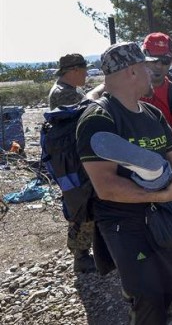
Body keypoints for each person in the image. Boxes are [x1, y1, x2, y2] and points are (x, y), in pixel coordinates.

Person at [76, 42, 172, 324]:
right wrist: (165, 196)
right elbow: (106, 187)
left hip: (163, 218)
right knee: (147, 296)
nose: (155, 73)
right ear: (133, 72)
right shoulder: (98, 118)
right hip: (123, 222)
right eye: (148, 68)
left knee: (167, 288)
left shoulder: (153, 114)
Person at [48, 53, 95, 272]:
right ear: (74, 70)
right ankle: (81, 255)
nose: (86, 73)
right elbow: (87, 111)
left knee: (82, 202)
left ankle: (84, 251)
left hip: (73, 158)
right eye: (84, 70)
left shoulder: (70, 91)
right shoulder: (63, 95)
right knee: (82, 204)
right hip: (72, 160)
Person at [140, 32, 172, 147]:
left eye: (165, 60)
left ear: (171, 61)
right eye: (153, 59)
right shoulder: (127, 89)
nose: (159, 66)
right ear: (143, 59)